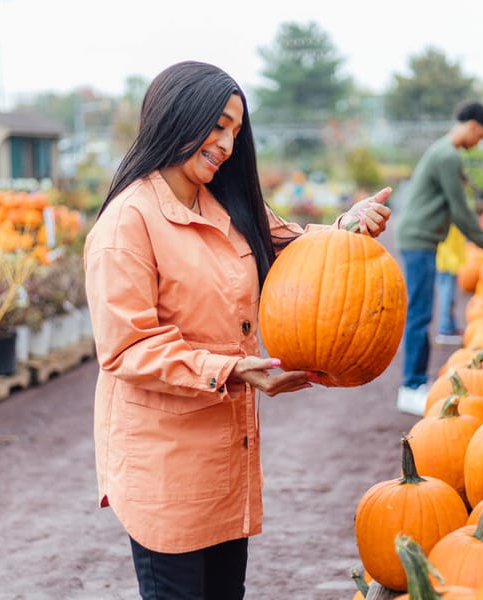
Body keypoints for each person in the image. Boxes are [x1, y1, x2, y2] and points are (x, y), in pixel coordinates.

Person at [82, 60, 391, 599]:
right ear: (178, 117)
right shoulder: (127, 224)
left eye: (235, 131)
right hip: (164, 466)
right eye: (218, 125)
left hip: (227, 457)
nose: (226, 143)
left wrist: (348, 227)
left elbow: (298, 249)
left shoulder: (226, 203)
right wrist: (233, 369)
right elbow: (128, 347)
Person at [392, 101, 483, 416]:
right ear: (472, 126)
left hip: (421, 238)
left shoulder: (443, 152)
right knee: (419, 312)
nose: (479, 142)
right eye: (481, 135)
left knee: (422, 311)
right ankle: (411, 385)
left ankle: (415, 382)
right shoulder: (448, 155)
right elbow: (460, 211)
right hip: (418, 239)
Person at [434, 224, 467, 344]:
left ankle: (451, 327)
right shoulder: (448, 214)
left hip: (451, 260)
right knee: (446, 295)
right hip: (447, 261)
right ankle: (445, 330)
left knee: (451, 296)